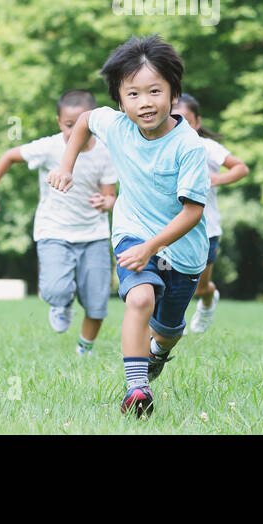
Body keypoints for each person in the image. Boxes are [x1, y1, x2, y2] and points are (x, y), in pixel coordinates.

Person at [47, 35, 209, 418]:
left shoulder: (189, 146)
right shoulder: (117, 125)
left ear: (173, 93)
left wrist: (153, 247)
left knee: (167, 331)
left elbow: (192, 213)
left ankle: (157, 355)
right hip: (132, 232)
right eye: (133, 94)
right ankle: (137, 389)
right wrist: (66, 166)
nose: (145, 102)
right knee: (139, 298)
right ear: (120, 100)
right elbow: (85, 120)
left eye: (155, 91)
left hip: (182, 250)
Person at [0, 89, 118, 355]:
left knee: (97, 302)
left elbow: (110, 195)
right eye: (69, 126)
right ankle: (61, 303)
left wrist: (106, 202)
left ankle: (84, 349)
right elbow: (9, 155)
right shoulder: (49, 147)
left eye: (81, 126)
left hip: (94, 235)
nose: (75, 132)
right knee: (56, 289)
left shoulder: (105, 152)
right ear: (58, 121)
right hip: (54, 231)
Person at [171, 94, 249, 334]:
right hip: (172, 226)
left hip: (207, 228)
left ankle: (207, 299)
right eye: (175, 119)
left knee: (199, 286)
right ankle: (172, 321)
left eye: (186, 120)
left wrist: (216, 178)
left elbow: (241, 168)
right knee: (170, 279)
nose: (181, 125)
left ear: (196, 123)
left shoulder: (207, 148)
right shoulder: (161, 147)